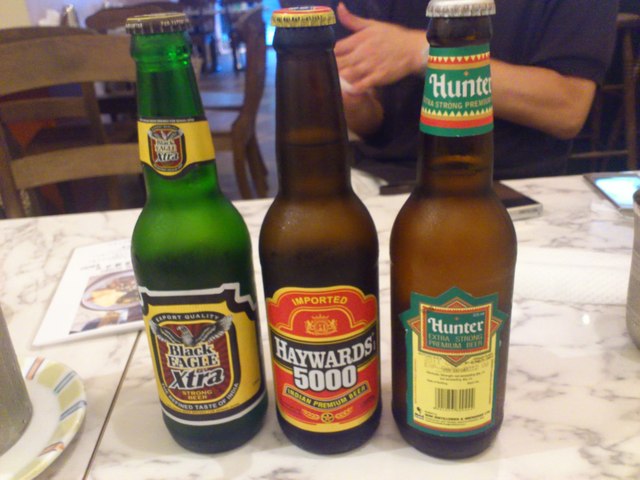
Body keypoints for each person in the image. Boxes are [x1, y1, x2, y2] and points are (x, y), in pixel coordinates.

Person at [332, 0, 619, 183]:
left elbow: (567, 109)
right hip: (384, 179)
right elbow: (373, 122)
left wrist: (426, 54)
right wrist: (352, 101)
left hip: (513, 183)